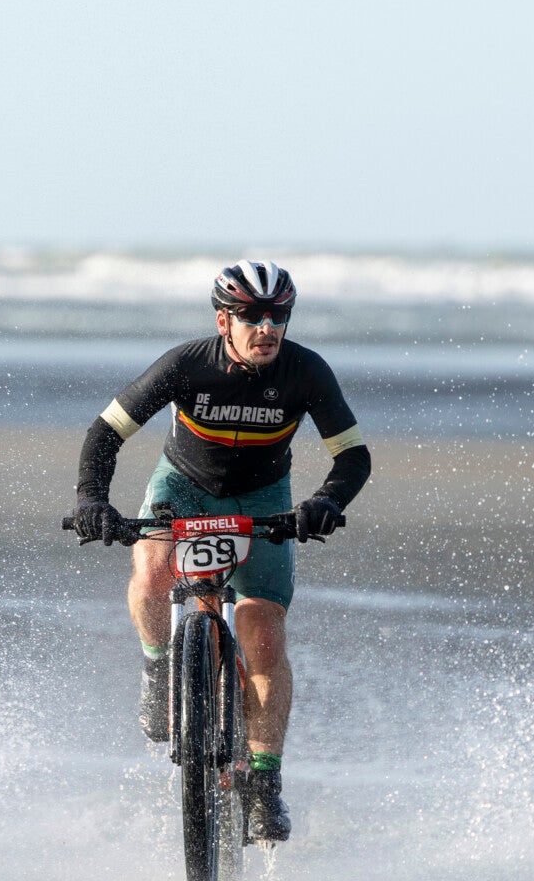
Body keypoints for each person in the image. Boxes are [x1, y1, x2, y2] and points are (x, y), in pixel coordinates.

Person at [71, 261, 370, 843]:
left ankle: (264, 781)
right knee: (152, 571)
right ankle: (158, 667)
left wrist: (325, 502)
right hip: (184, 486)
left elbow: (353, 456)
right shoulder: (187, 364)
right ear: (223, 321)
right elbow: (105, 432)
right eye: (251, 316)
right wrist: (92, 500)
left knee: (264, 633)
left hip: (263, 498)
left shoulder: (306, 371)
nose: (267, 328)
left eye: (278, 316)